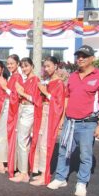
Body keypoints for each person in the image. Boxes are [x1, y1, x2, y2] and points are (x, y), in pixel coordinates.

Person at [48, 45, 99, 196]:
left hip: (88, 123)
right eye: (79, 56)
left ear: (92, 58)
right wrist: (63, 118)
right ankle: (60, 178)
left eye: (84, 55)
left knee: (85, 155)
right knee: (64, 152)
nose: (81, 58)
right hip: (70, 122)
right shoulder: (72, 76)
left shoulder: (98, 76)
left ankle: (82, 182)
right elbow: (67, 98)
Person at [29, 56, 66, 186]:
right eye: (45, 66)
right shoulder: (47, 81)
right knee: (39, 142)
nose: (46, 68)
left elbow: (59, 104)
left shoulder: (59, 83)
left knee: (45, 144)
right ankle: (39, 171)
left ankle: (45, 174)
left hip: (51, 114)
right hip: (43, 113)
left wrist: (45, 92)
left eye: (49, 66)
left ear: (56, 66)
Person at [9, 57, 42, 183]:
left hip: (29, 109)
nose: (24, 69)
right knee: (21, 140)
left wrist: (21, 93)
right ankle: (23, 170)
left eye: (26, 66)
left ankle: (24, 173)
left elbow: (35, 99)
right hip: (23, 108)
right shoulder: (27, 79)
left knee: (23, 140)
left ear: (32, 66)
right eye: (22, 66)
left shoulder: (35, 80)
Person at [0, 54, 23, 174]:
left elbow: (17, 95)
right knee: (2, 135)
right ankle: (2, 162)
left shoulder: (17, 77)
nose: (9, 65)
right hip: (8, 105)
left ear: (17, 64)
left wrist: (5, 88)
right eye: (8, 63)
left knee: (2, 135)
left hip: (11, 106)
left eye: (12, 63)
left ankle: (2, 163)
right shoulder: (12, 76)